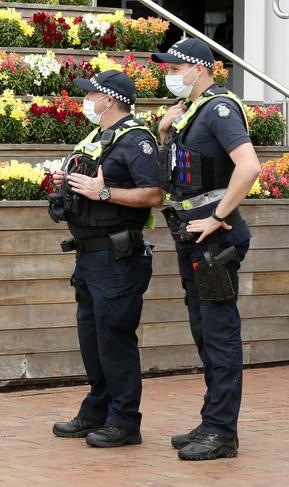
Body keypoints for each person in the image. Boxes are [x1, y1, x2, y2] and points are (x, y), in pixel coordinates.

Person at [152, 38, 260, 461]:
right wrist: (165, 130)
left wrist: (218, 217)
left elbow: (249, 166)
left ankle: (222, 431)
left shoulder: (219, 108)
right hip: (192, 235)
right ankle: (212, 419)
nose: (170, 75)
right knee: (204, 331)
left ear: (200, 69)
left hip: (215, 236)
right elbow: (177, 171)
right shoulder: (189, 114)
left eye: (176, 69)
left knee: (219, 334)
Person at [49, 70, 163, 448]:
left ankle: (125, 420)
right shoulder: (98, 137)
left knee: (115, 340)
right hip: (89, 256)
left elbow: (153, 195)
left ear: (110, 99)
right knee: (92, 339)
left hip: (118, 258)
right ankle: (97, 409)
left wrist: (103, 193)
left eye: (92, 95)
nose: (88, 102)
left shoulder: (138, 140)